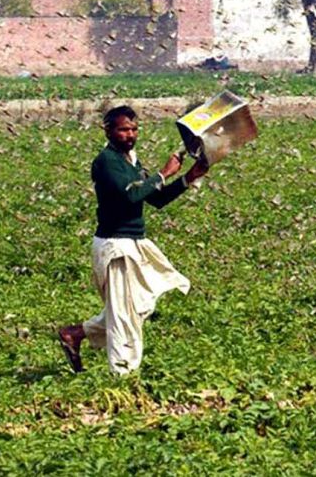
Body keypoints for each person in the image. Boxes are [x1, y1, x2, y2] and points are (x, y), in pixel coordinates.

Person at [57, 105, 208, 374]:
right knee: (124, 316)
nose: (130, 134)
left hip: (133, 242)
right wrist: (163, 174)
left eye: (134, 129)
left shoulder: (132, 162)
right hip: (115, 245)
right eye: (124, 129)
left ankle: (75, 333)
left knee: (136, 307)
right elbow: (130, 196)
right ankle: (122, 376)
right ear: (108, 131)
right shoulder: (106, 162)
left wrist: (188, 178)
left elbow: (155, 199)